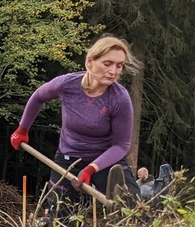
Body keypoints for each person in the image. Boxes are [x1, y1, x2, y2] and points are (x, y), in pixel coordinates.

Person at [10, 35, 141, 214]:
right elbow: (38, 97)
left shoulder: (120, 98)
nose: (113, 71)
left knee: (133, 210)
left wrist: (91, 169)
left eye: (119, 66)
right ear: (89, 62)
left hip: (106, 160)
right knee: (57, 218)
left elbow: (121, 145)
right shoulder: (67, 84)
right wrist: (23, 129)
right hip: (68, 158)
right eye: (107, 63)